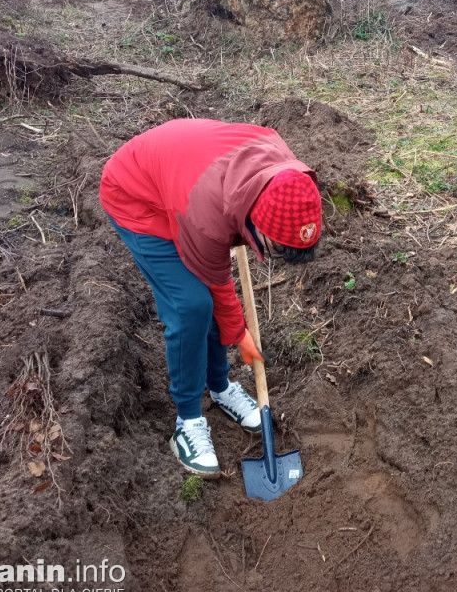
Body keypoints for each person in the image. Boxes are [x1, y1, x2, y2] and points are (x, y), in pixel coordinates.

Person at [100, 120, 323, 476]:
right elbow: (217, 285)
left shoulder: (288, 180)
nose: (274, 257)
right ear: (256, 225)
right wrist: (239, 335)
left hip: (181, 180)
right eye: (275, 251)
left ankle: (220, 386)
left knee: (208, 303)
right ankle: (188, 421)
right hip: (137, 197)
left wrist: (237, 332)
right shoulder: (206, 213)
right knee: (192, 305)